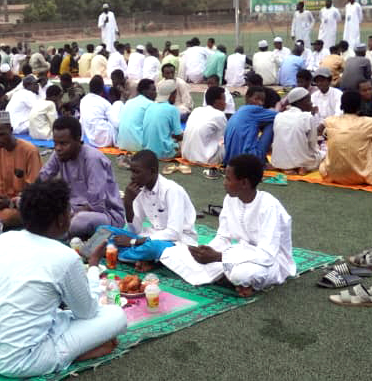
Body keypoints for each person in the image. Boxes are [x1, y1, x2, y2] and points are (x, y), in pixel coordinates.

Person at [0, 179, 127, 378]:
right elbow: (87, 312)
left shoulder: (4, 240)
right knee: (116, 315)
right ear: (61, 219)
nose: (71, 215)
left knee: (59, 315)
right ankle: (69, 356)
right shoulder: (64, 256)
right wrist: (93, 265)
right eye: (69, 211)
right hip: (19, 361)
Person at [161, 155, 295, 297]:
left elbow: (266, 256)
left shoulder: (269, 207)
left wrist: (220, 257)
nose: (224, 183)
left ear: (244, 183)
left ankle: (233, 278)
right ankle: (231, 279)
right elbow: (223, 237)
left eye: (228, 179)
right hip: (238, 254)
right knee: (174, 253)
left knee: (241, 274)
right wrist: (206, 251)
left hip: (272, 263)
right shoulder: (230, 200)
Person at [99, 150, 197, 270]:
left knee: (152, 248)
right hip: (149, 236)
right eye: (131, 171)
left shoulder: (172, 190)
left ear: (152, 171)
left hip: (178, 241)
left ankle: (115, 253)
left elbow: (174, 232)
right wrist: (128, 203)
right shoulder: (139, 190)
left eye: (137, 172)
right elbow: (135, 230)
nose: (132, 176)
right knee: (104, 230)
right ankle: (140, 257)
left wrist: (134, 242)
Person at [38, 116, 124, 238]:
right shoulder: (59, 154)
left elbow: (96, 205)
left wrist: (67, 216)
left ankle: (57, 231)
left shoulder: (93, 159)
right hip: (72, 210)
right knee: (36, 206)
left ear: (78, 139)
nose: (58, 148)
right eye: (55, 143)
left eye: (63, 143)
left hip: (104, 214)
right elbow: (42, 179)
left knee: (79, 221)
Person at [319, 91, 372, 185]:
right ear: (360, 107)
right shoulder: (366, 122)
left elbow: (324, 132)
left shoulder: (330, 121)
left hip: (332, 175)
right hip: (363, 176)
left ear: (341, 106)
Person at [270, 87, 322, 173]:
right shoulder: (307, 117)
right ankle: (302, 167)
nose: (311, 103)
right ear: (299, 102)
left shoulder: (279, 116)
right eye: (308, 101)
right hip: (301, 160)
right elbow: (313, 145)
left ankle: (287, 168)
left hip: (278, 162)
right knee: (323, 154)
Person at [224, 84, 277, 164]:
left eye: (262, 100)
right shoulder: (253, 110)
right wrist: (279, 106)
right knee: (272, 122)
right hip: (249, 160)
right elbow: (280, 116)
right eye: (257, 99)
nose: (260, 103)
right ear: (247, 98)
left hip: (230, 160)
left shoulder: (239, 111)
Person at [182, 85, 228, 166]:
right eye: (224, 99)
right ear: (216, 101)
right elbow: (226, 137)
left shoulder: (196, 110)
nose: (225, 103)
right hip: (205, 160)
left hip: (186, 155)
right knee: (231, 143)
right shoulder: (219, 115)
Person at [142, 80, 183, 160]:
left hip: (148, 152)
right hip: (164, 153)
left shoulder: (150, 106)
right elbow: (179, 136)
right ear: (172, 94)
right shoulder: (173, 109)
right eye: (175, 94)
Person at [116, 79, 156, 152]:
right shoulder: (150, 104)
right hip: (139, 147)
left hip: (122, 145)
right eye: (153, 90)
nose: (156, 93)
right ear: (145, 91)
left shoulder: (129, 102)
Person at [79, 76, 115, 148]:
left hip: (90, 138)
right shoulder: (105, 103)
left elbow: (81, 121)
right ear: (102, 89)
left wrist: (81, 139)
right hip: (106, 140)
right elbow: (115, 122)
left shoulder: (83, 100)